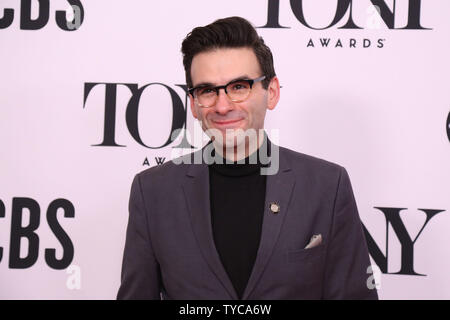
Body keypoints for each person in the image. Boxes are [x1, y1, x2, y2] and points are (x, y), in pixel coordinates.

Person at [117, 16, 377, 300]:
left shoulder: (327, 186)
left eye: (239, 86)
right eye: (207, 91)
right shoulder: (153, 191)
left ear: (272, 92)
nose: (223, 106)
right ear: (193, 103)